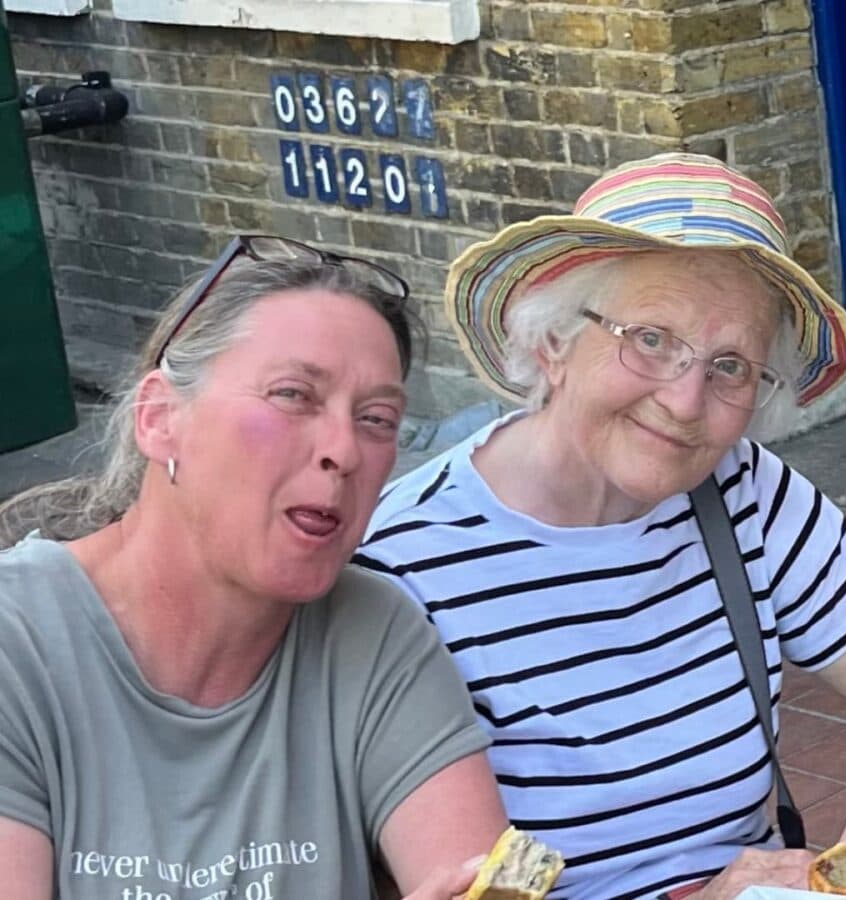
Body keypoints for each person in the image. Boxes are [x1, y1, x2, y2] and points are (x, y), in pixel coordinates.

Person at [355, 154, 846, 900]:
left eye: (730, 366)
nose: (685, 401)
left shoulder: (742, 493)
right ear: (553, 342)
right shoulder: (404, 563)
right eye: (651, 339)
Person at [0, 235, 508, 899]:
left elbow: (485, 879)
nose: (343, 451)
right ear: (159, 420)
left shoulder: (375, 633)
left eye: (378, 419)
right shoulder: (19, 645)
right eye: (293, 395)